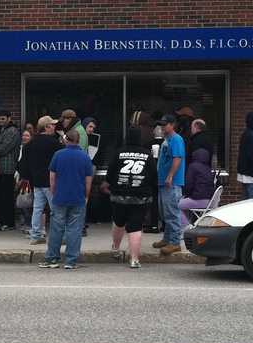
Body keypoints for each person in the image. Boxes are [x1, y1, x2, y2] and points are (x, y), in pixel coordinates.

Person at [39, 129, 94, 270]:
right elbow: (88, 181)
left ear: (66, 139)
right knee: (74, 229)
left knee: (56, 229)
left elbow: (52, 178)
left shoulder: (58, 155)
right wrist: (86, 196)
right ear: (78, 140)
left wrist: (54, 192)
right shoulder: (85, 157)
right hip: (78, 197)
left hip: (60, 197)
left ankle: (52, 258)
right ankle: (71, 260)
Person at [103, 138, 157, 269]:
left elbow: (109, 175)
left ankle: (115, 249)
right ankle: (134, 259)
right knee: (136, 227)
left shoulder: (118, 153)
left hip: (119, 195)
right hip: (140, 196)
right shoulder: (147, 155)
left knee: (118, 222)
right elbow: (153, 176)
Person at [19, 115, 61, 245]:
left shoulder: (29, 144)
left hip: (36, 181)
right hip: (51, 182)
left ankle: (35, 235)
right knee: (56, 210)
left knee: (37, 209)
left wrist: (27, 178)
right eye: (52, 125)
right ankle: (57, 236)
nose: (54, 127)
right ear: (47, 127)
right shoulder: (55, 143)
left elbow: (22, 165)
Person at [153, 114, 186, 255]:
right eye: (161, 124)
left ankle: (175, 242)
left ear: (172, 125)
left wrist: (170, 176)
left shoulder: (176, 139)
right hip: (163, 182)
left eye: (165, 124)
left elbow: (177, 158)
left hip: (171, 183)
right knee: (165, 212)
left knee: (172, 212)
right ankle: (167, 239)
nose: (162, 127)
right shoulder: (167, 140)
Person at [0, 110, 21, 231]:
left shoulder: (13, 131)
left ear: (9, 118)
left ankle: (9, 223)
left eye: (3, 119)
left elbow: (5, 148)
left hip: (9, 168)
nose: (1, 121)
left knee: (7, 197)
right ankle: (2, 221)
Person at [176, 147, 216, 226]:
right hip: (210, 201)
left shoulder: (193, 166)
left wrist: (185, 194)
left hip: (198, 200)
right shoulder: (208, 168)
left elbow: (189, 184)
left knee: (175, 206)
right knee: (184, 205)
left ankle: (186, 227)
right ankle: (189, 224)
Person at [16, 128, 34, 233]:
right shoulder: (21, 148)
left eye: (27, 135)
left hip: (27, 179)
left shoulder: (30, 149)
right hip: (20, 176)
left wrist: (23, 178)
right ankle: (26, 222)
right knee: (23, 201)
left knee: (28, 201)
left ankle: (29, 224)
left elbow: (26, 165)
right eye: (23, 135)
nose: (24, 137)